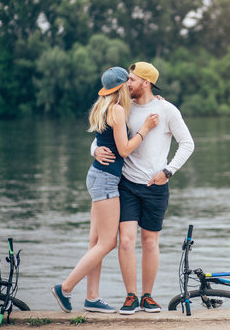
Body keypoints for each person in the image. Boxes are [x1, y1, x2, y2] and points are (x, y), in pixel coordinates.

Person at [51, 67, 159, 313]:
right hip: (107, 180)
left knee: (96, 241)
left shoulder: (103, 106)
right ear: (121, 86)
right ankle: (65, 288)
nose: (131, 86)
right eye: (128, 83)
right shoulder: (118, 110)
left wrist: (155, 101)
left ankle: (92, 297)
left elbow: (103, 142)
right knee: (109, 242)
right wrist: (145, 129)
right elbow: (123, 150)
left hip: (98, 176)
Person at [92, 62, 194, 315]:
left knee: (150, 243)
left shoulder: (167, 109)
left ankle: (147, 297)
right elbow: (100, 137)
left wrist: (168, 171)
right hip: (125, 185)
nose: (127, 84)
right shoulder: (122, 108)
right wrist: (94, 150)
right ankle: (130, 297)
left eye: (132, 79)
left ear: (146, 83)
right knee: (125, 242)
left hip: (156, 186)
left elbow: (187, 144)